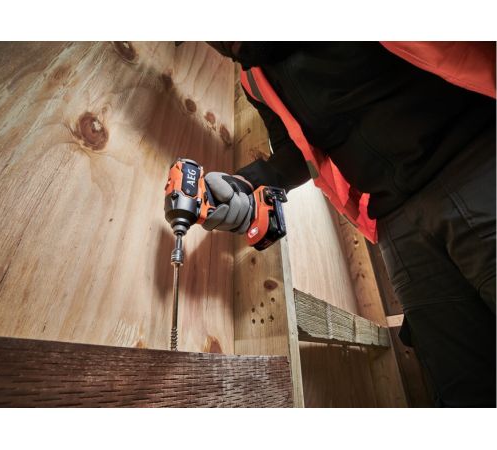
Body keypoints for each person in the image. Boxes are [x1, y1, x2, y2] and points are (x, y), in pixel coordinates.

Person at [203, 42, 496, 407]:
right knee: (464, 391)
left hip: (476, 157)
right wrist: (247, 182)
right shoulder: (254, 79)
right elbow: (294, 150)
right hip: (397, 225)